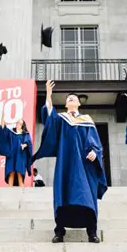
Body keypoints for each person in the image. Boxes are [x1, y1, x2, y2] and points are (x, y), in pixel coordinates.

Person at [32, 80, 108, 243]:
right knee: (63, 196)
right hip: (66, 164)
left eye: (74, 98)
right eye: (69, 98)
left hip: (84, 165)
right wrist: (49, 96)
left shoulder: (87, 120)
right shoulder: (61, 119)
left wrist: (94, 151)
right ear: (66, 105)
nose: (71, 99)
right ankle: (59, 232)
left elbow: (95, 142)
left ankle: (92, 232)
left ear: (79, 103)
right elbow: (49, 121)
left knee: (87, 196)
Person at [0, 112, 33, 187]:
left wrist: (25, 144)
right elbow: (3, 128)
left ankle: (22, 194)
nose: (18, 124)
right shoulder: (11, 132)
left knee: (20, 173)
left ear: (23, 125)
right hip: (11, 155)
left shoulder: (25, 134)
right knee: (11, 173)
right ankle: (10, 192)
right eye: (17, 123)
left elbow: (29, 142)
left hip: (21, 155)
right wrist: (2, 117)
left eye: (20, 123)